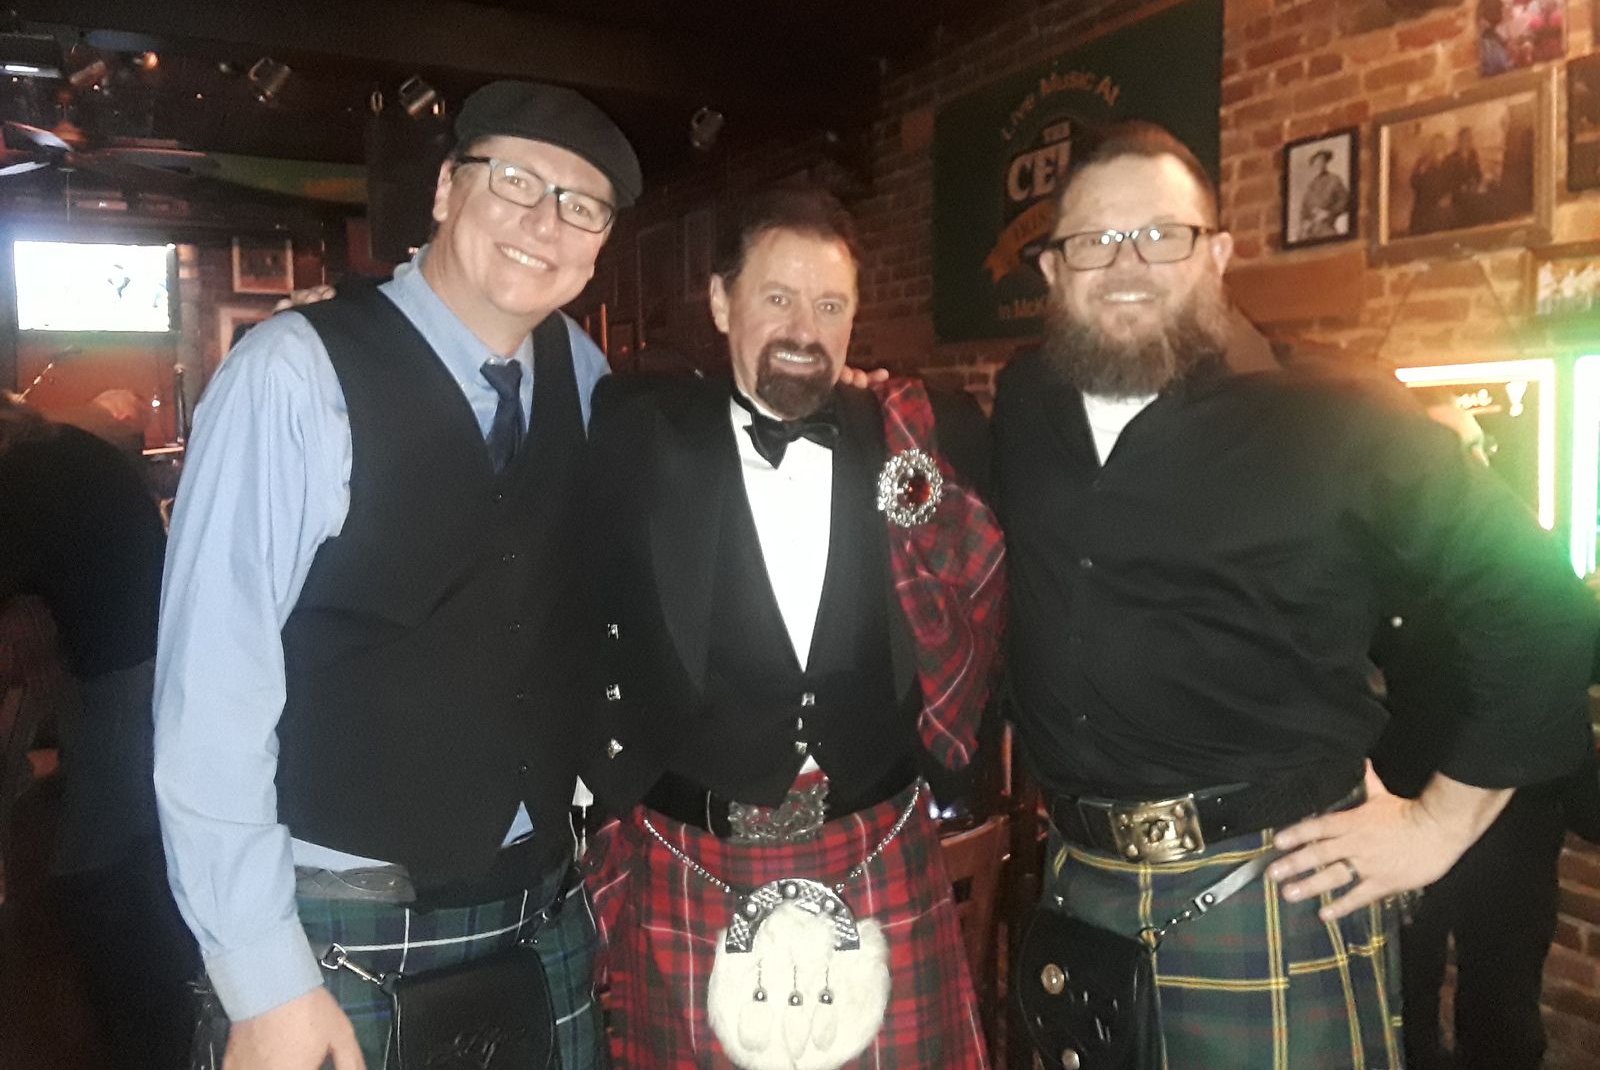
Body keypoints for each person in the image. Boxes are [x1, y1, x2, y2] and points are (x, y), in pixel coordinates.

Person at [992, 121, 1595, 1067]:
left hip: (1273, 891)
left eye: (1162, 235)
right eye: (1094, 241)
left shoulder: (1337, 414)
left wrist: (1441, 825)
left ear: (1219, 254)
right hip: (1082, 888)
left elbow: (1543, 607)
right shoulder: (1026, 400)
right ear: (1053, 270)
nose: (1127, 264)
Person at [154, 80, 642, 1070]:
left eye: (580, 205)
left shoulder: (587, 377)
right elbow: (211, 689)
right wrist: (262, 977)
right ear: (445, 191)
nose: (544, 222)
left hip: (539, 904)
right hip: (340, 926)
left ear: (597, 248)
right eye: (515, 181)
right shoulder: (293, 374)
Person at [582, 187, 1007, 1069]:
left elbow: (999, 587)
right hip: (691, 852)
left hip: (874, 840)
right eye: (777, 298)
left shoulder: (915, 433)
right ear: (720, 301)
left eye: (830, 305)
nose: (804, 331)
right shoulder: (634, 428)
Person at [1371, 390, 1585, 1070]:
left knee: (1504, 994)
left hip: (1517, 805)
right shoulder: (1389, 562)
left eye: (1474, 450)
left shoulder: (1523, 550)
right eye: (1449, 456)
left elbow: (1567, 654)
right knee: (1405, 986)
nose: (1467, 468)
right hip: (1413, 796)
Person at [0, 392, 198, 1070]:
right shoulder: (59, 449)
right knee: (127, 847)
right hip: (141, 651)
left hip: (124, 662)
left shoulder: (21, 475)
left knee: (95, 862)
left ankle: (147, 1035)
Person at [1296, 148, 1348, 241]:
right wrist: (1305, 223)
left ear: (1325, 163)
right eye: (1316, 162)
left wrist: (1328, 213)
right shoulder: (1310, 186)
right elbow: (1304, 209)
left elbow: (1345, 201)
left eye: (1322, 161)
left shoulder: (1334, 180)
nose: (1319, 164)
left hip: (1326, 227)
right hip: (1309, 230)